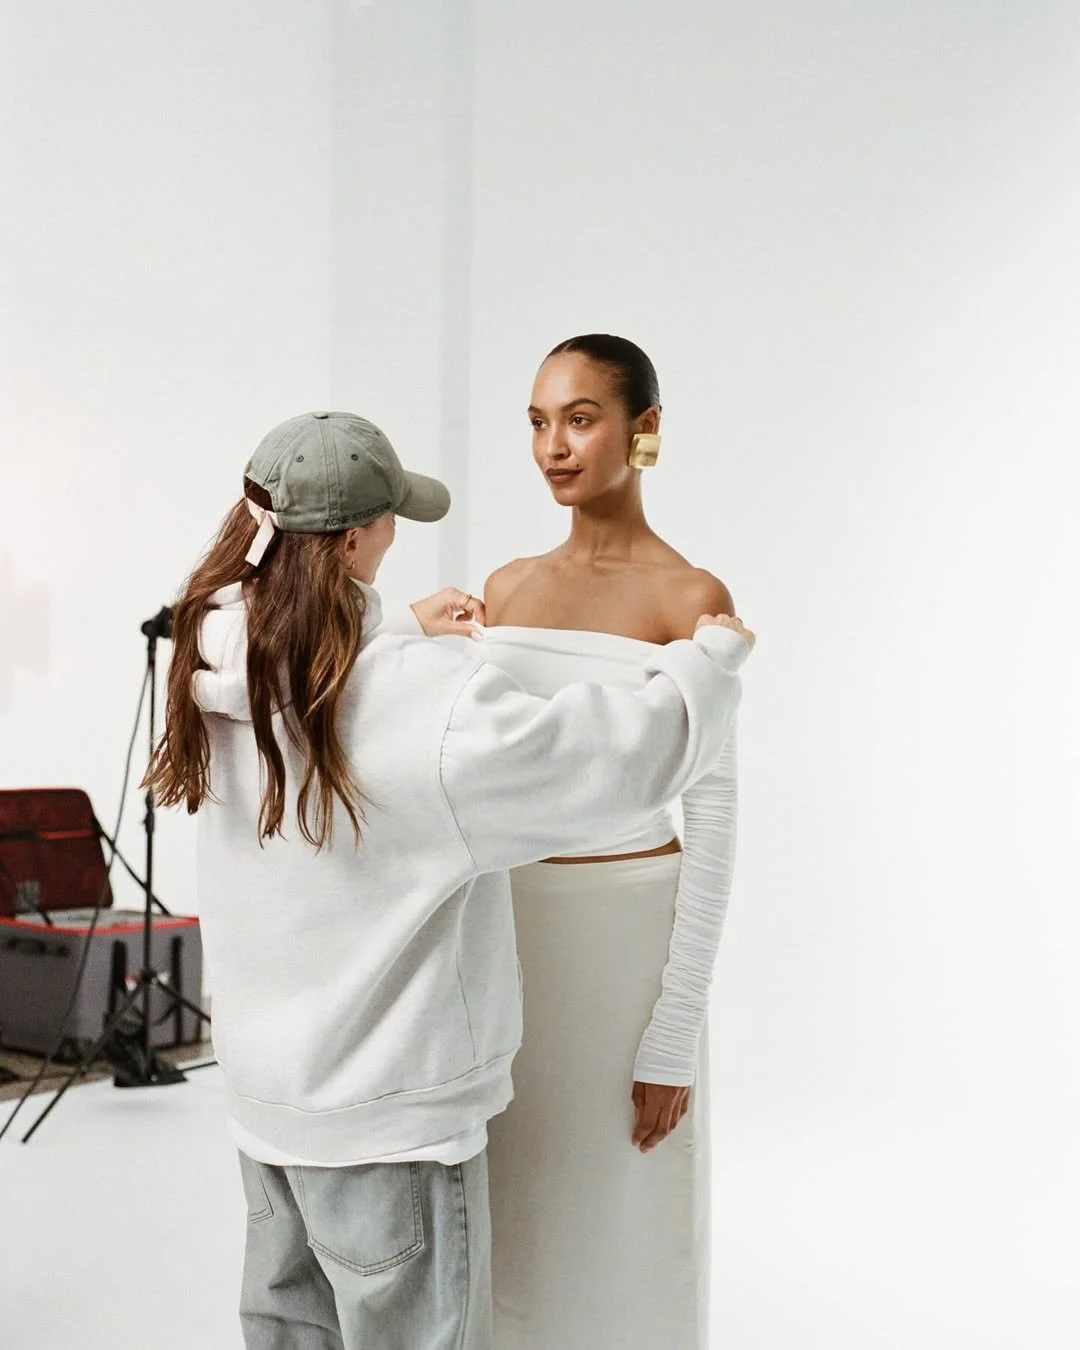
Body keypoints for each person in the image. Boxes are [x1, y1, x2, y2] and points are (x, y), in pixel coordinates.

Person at [143, 409, 755, 1350]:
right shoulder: (422, 711)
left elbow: (331, 681)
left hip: (270, 1118)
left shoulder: (226, 658)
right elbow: (609, 764)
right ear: (356, 538)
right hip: (391, 1135)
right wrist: (706, 669)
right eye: (390, 520)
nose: (396, 536)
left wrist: (391, 628)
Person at [478, 334, 741, 1350]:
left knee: (628, 1219)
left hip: (624, 945)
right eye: (539, 422)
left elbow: (712, 819)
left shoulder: (690, 599)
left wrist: (675, 1027)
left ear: (646, 428)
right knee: (513, 1220)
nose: (553, 446)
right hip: (502, 932)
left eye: (580, 419)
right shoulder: (504, 588)